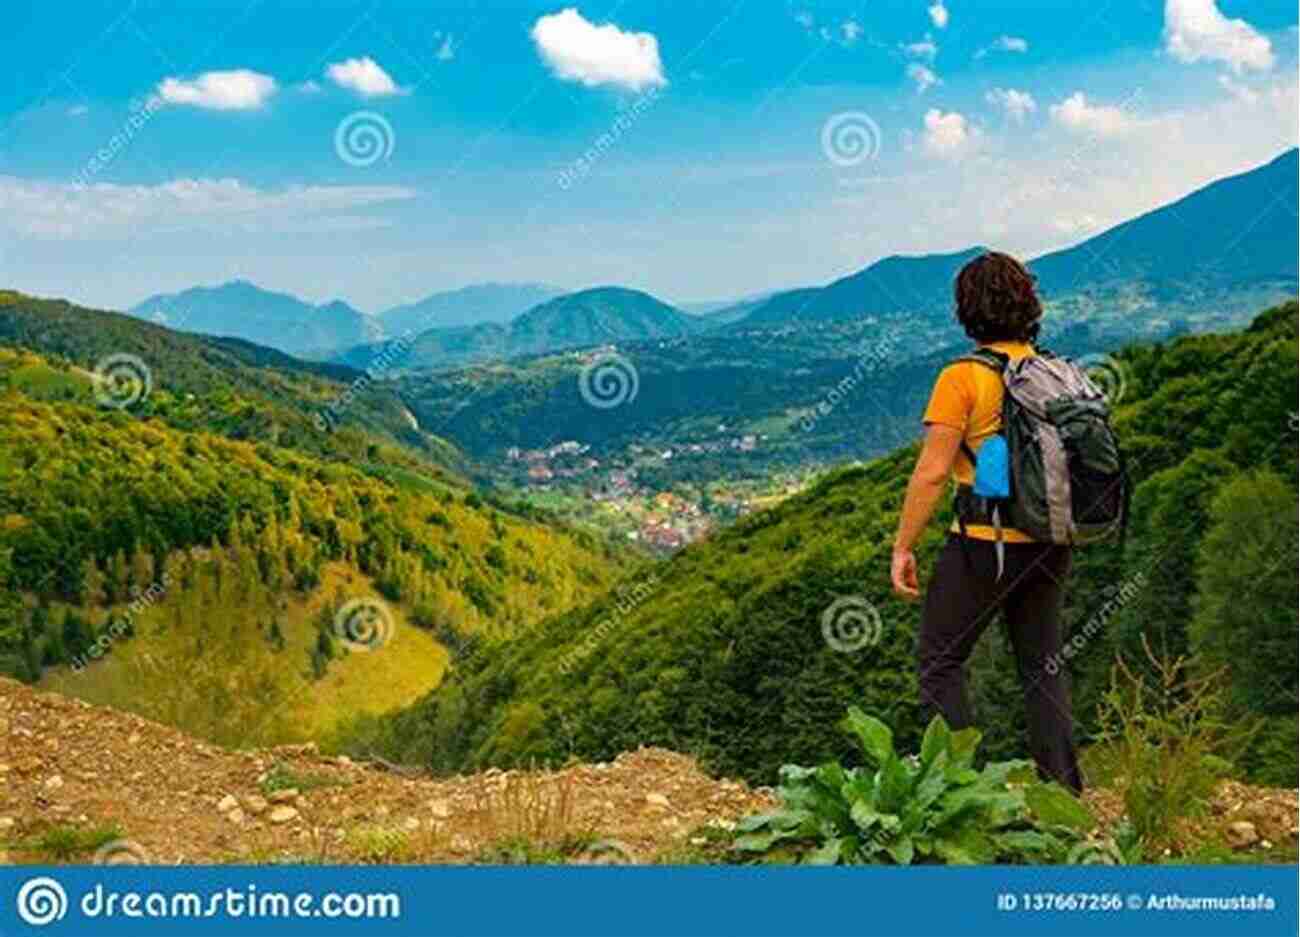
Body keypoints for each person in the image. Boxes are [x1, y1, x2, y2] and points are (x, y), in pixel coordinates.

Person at [890, 251, 1082, 792]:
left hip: (983, 542)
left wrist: (903, 547)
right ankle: (1063, 795)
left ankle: (959, 794)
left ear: (966, 311)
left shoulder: (963, 377)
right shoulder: (1057, 371)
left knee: (940, 661)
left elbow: (931, 474)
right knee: (1043, 668)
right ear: (1028, 304)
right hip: (1050, 539)